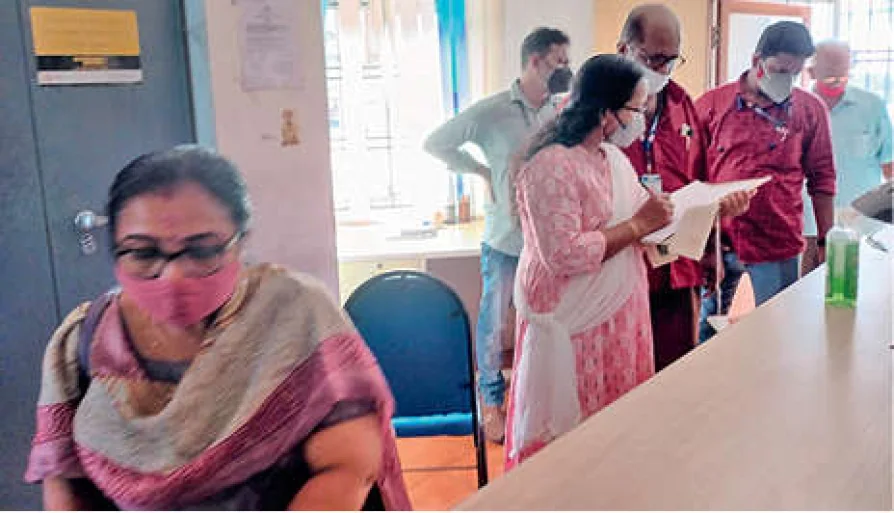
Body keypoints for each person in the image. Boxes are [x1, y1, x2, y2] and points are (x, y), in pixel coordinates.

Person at [24, 146, 411, 510]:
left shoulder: (295, 315)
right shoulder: (85, 340)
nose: (173, 276)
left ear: (240, 242)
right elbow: (64, 478)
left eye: (203, 250)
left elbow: (348, 465)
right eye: (142, 253)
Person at [506, 54, 674, 469]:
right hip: (575, 323)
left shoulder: (611, 159)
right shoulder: (550, 165)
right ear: (604, 111)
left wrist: (708, 210)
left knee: (619, 444)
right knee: (574, 455)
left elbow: (647, 219)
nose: (641, 120)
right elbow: (564, 254)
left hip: (621, 320)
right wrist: (637, 225)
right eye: (635, 109)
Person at [424, 27, 572, 442]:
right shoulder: (491, 112)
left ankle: (536, 396)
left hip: (550, 242)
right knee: (493, 324)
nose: (566, 69)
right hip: (505, 239)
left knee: (546, 321)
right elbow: (436, 143)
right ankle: (491, 402)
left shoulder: (562, 112)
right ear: (534, 61)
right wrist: (481, 170)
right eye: (559, 61)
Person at [616, 3, 752, 370]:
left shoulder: (682, 105)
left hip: (677, 269)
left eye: (671, 60)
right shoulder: (596, 111)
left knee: (674, 370)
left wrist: (713, 240)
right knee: (625, 375)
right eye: (654, 59)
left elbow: (700, 181)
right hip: (621, 268)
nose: (662, 70)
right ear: (624, 49)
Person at [695, 21, 835, 330]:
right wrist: (701, 246)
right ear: (756, 60)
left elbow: (823, 178)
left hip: (777, 243)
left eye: (793, 74)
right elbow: (693, 177)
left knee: (777, 331)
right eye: (779, 70)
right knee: (706, 330)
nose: (786, 80)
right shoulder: (712, 105)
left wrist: (826, 240)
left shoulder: (809, 110)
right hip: (718, 241)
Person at [801, 40, 893, 274]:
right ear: (812, 71)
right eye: (829, 74)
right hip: (810, 225)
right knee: (807, 288)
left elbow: (889, 165)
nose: (836, 80)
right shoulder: (798, 107)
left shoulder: (872, 106)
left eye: (841, 73)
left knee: (863, 285)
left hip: (861, 226)